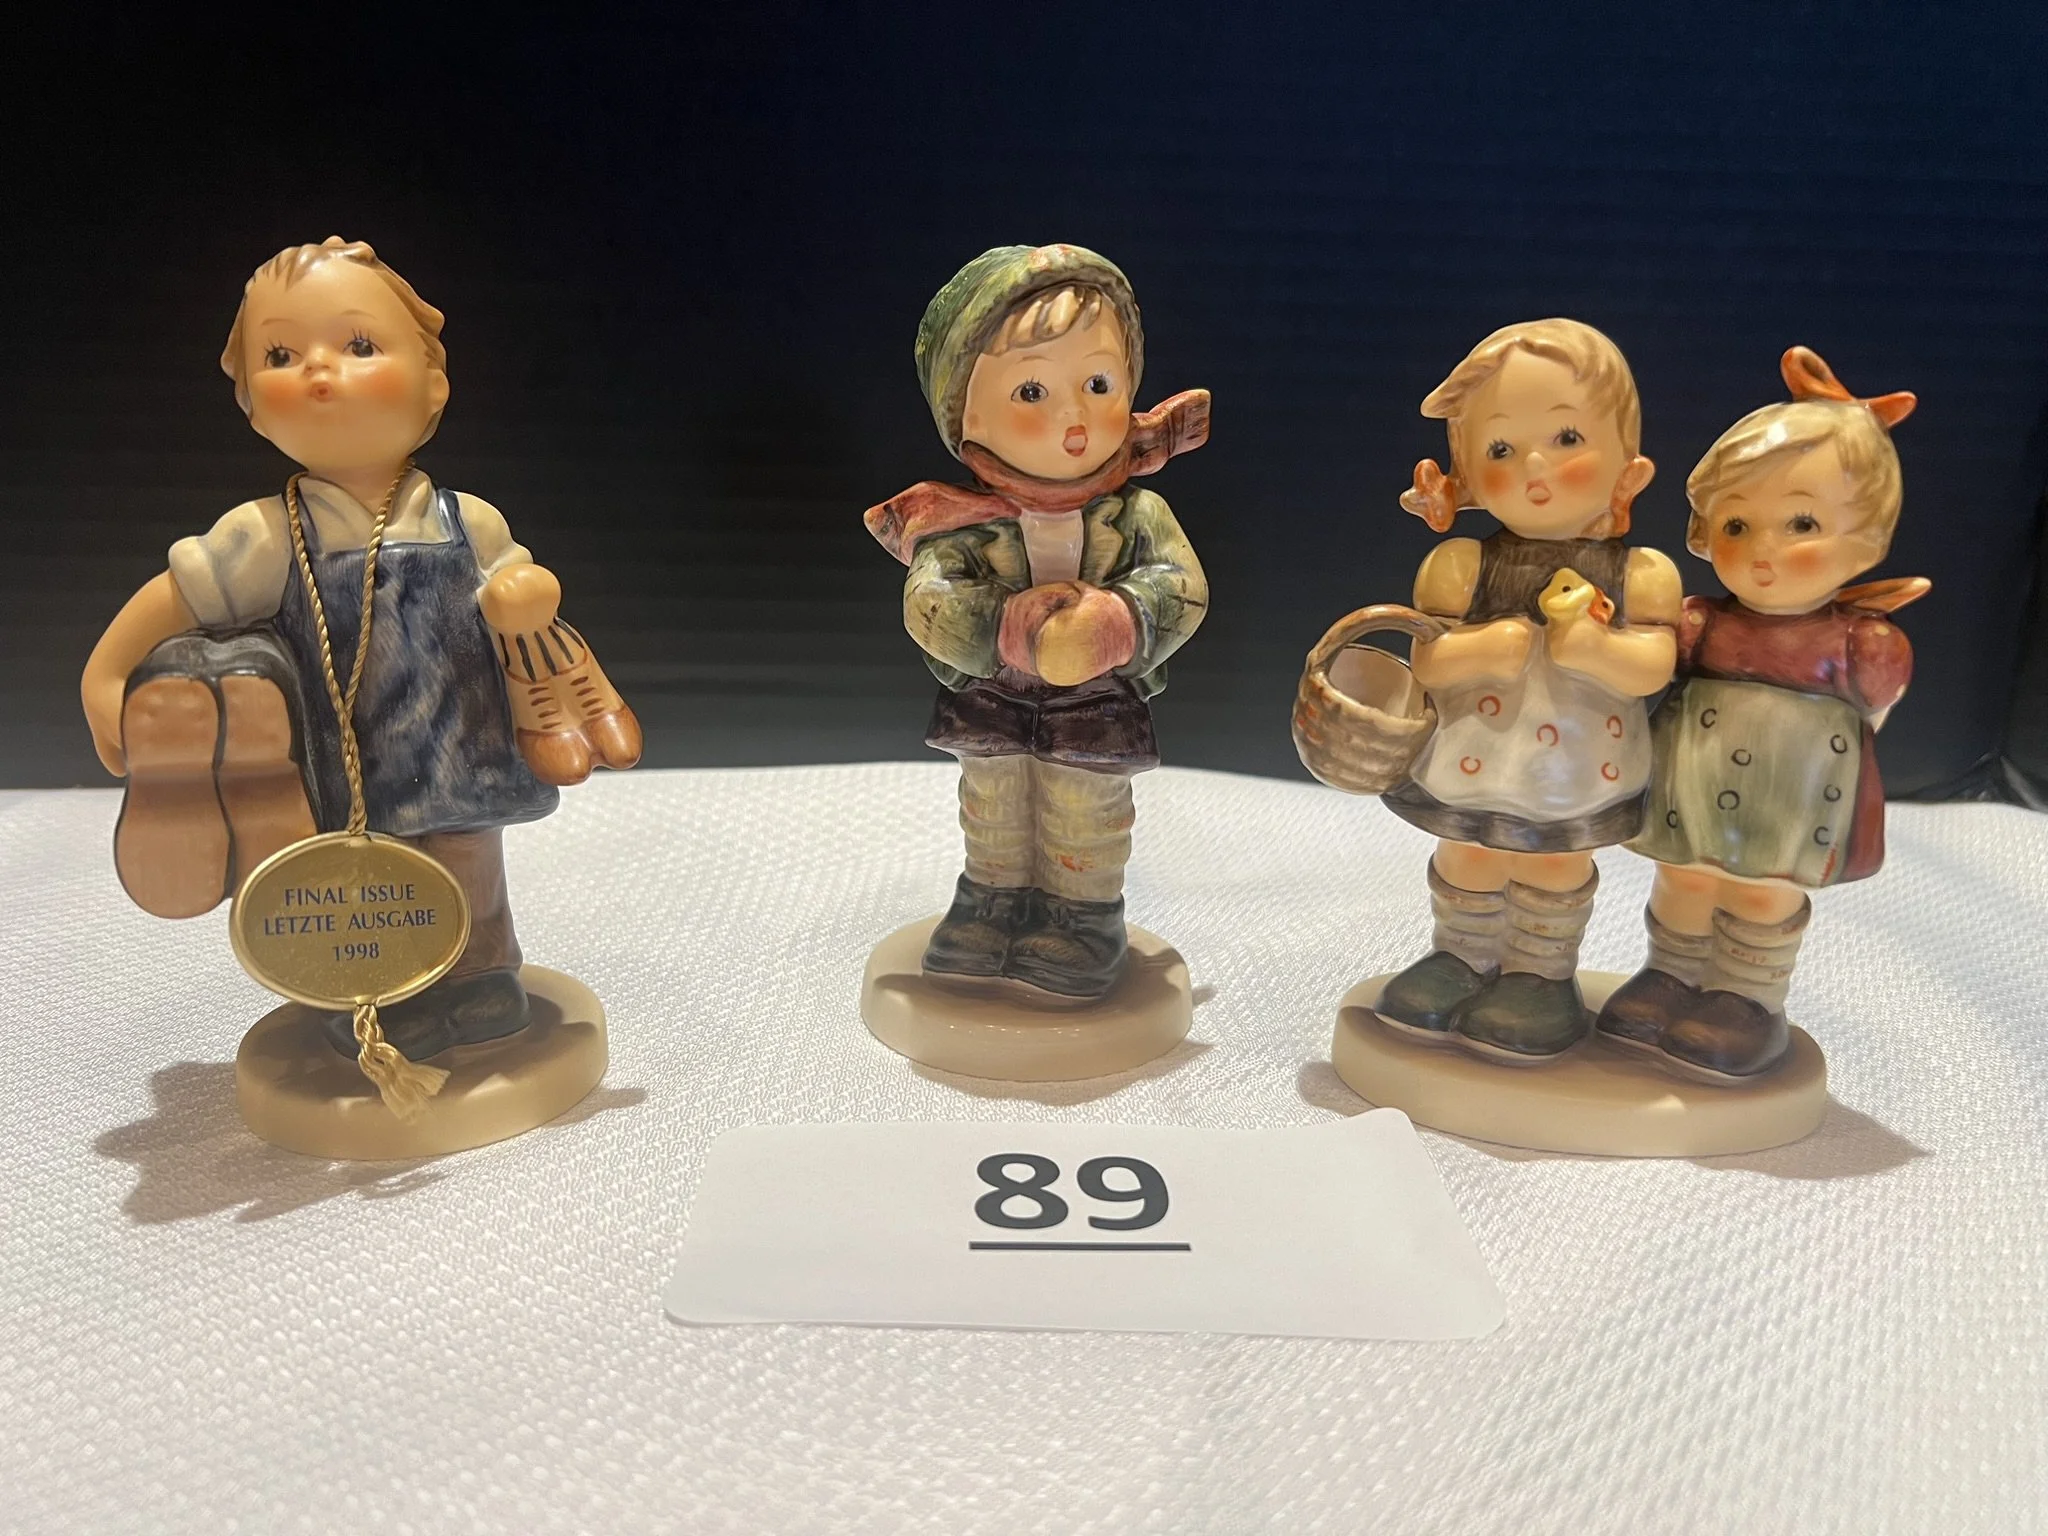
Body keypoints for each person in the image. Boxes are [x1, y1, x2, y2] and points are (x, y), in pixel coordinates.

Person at [81, 237, 635, 1062]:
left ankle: (481, 976)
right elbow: (178, 596)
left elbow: (520, 595)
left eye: (359, 344)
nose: (318, 368)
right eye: (280, 355)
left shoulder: (466, 520)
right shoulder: (267, 534)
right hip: (347, 760)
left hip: (459, 739)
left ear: (433, 384)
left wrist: (524, 594)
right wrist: (107, 673)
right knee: (364, 879)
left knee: (468, 856)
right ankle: (378, 988)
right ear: (251, 405)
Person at [865, 243, 1209, 999]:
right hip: (993, 695)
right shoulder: (962, 523)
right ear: (965, 417)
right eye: (1031, 391)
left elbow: (1183, 587)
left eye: (1098, 384)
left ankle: (1082, 916)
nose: (1074, 419)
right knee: (994, 804)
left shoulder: (1138, 513)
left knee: (1083, 808)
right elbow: (928, 600)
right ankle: (991, 902)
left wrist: (1118, 618)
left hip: (1095, 702)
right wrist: (1003, 625)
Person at [1598, 347, 1922, 1081]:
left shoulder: (1859, 643)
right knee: (1684, 877)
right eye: (1738, 524)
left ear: (1867, 539)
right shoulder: (1699, 621)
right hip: (1695, 780)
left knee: (1760, 889)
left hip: (1791, 792)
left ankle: (1746, 998)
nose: (1763, 551)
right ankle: (1669, 976)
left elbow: (1871, 715)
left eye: (1801, 523)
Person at [1374, 319, 1682, 1062]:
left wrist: (1597, 648)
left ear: (1629, 470)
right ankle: (1460, 958)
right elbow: (1430, 659)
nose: (1533, 466)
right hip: (1475, 757)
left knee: (1552, 864)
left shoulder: (1642, 574)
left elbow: (1655, 665)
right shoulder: (1459, 565)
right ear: (1467, 474)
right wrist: (1483, 647)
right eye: (1501, 450)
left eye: (1567, 438)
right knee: (1468, 855)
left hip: (1575, 768)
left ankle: (1539, 975)